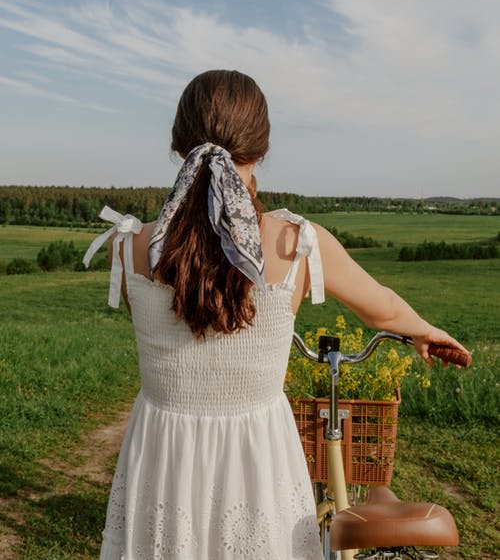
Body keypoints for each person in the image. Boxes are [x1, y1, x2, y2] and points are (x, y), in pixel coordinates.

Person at [84, 69, 468, 560]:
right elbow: (384, 308)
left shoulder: (130, 245)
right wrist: (426, 332)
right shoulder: (298, 243)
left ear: (179, 149)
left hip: (163, 459)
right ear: (260, 151)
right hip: (257, 460)